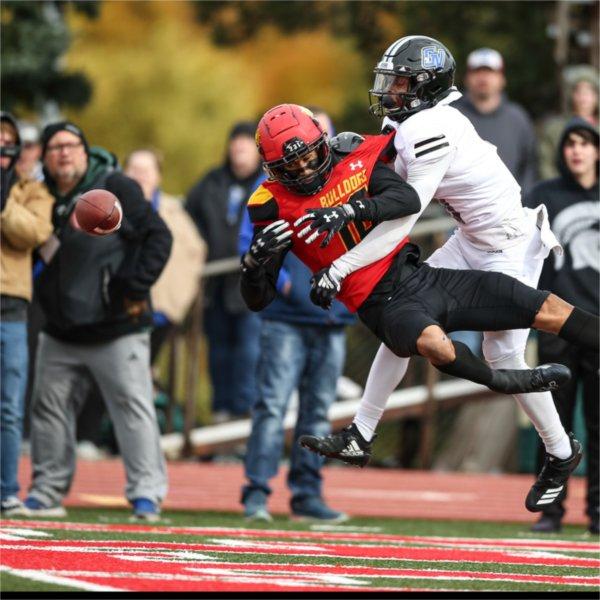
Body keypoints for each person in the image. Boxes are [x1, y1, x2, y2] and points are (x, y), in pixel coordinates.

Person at [282, 36, 591, 513]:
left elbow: (403, 214)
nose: (391, 90)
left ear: (426, 86)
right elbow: (380, 174)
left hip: (508, 243)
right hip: (471, 238)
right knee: (402, 315)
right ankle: (362, 433)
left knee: (503, 350)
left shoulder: (434, 126)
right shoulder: (408, 121)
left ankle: (561, 450)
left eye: (402, 82)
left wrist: (341, 265)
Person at [19, 121, 171, 520]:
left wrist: (129, 288)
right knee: (47, 409)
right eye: (54, 147)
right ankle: (46, 491)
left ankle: (146, 495)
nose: (63, 153)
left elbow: (158, 237)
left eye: (71, 145)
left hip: (116, 327)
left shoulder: (115, 186)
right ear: (45, 157)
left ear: (85, 151)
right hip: (61, 329)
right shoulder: (38, 196)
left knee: (132, 407)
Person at [238, 109, 353, 523]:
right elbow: (250, 244)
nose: (302, 163)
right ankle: (257, 490)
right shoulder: (269, 190)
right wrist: (287, 286)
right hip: (287, 316)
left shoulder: (350, 177)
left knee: (319, 410)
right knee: (272, 406)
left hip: (332, 315)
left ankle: (307, 493)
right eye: (292, 155)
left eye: (309, 151)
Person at [525, 119, 599, 534]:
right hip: (556, 324)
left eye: (585, 143)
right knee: (552, 423)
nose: (577, 150)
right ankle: (551, 511)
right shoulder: (543, 196)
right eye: (570, 143)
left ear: (597, 151)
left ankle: (599, 513)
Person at [186, 122, 263, 421]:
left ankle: (244, 415)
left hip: (251, 284)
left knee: (248, 353)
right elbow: (187, 220)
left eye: (246, 144)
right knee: (218, 352)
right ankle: (221, 412)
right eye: (236, 143)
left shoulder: (268, 183)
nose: (239, 149)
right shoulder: (211, 182)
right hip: (214, 285)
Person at [0, 112, 54, 515]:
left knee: (8, 406)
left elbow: (33, 233)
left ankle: (6, 489)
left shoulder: (34, 191)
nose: (3, 146)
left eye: (8, 139)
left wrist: (2, 202)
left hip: (11, 306)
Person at [124, 148, 206, 362]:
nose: (140, 175)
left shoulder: (174, 211)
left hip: (160, 310)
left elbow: (196, 253)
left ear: (158, 175)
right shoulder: (112, 209)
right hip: (118, 312)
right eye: (134, 169)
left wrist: (175, 305)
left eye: (146, 170)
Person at [453, 47, 538, 193]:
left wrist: (523, 201)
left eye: (490, 72)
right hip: (453, 212)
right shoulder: (451, 116)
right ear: (466, 78)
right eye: (477, 72)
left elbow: (530, 165)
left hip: (510, 210)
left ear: (502, 79)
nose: (483, 78)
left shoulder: (517, 118)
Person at [538, 65, 599, 180]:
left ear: (596, 96)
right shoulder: (555, 129)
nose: (583, 97)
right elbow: (546, 165)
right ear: (571, 95)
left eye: (589, 91)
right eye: (578, 91)